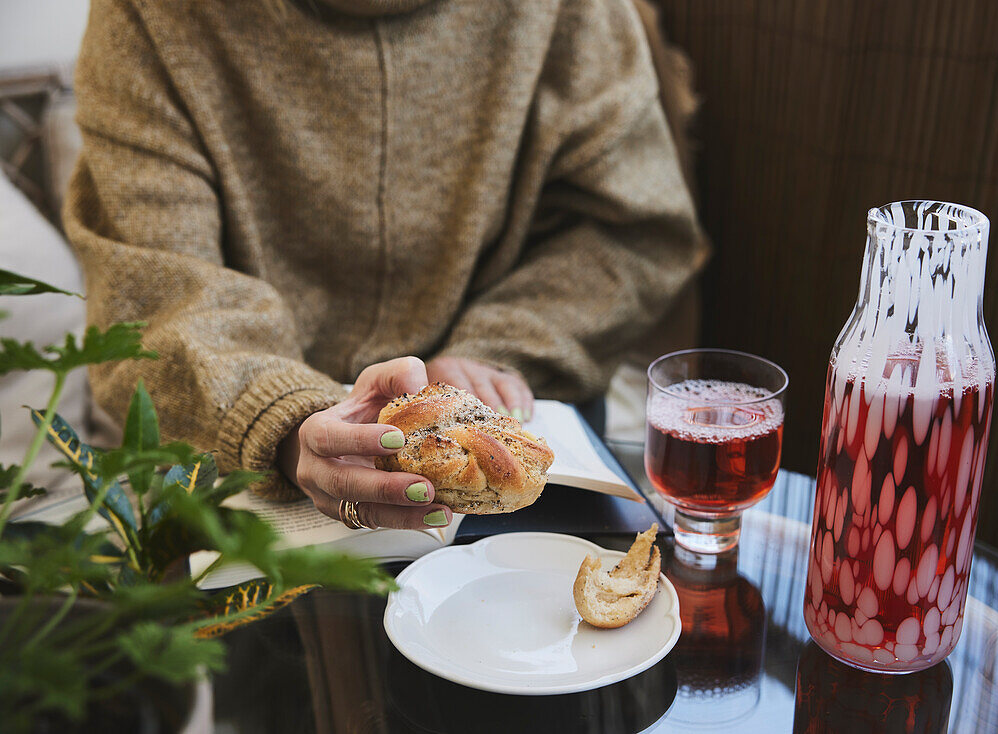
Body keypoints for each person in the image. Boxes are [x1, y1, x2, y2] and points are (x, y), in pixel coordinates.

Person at [64, 0, 706, 529]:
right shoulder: (149, 17)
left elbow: (630, 230)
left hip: (517, 439)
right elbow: (154, 292)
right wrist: (281, 419)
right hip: (250, 461)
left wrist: (498, 351)